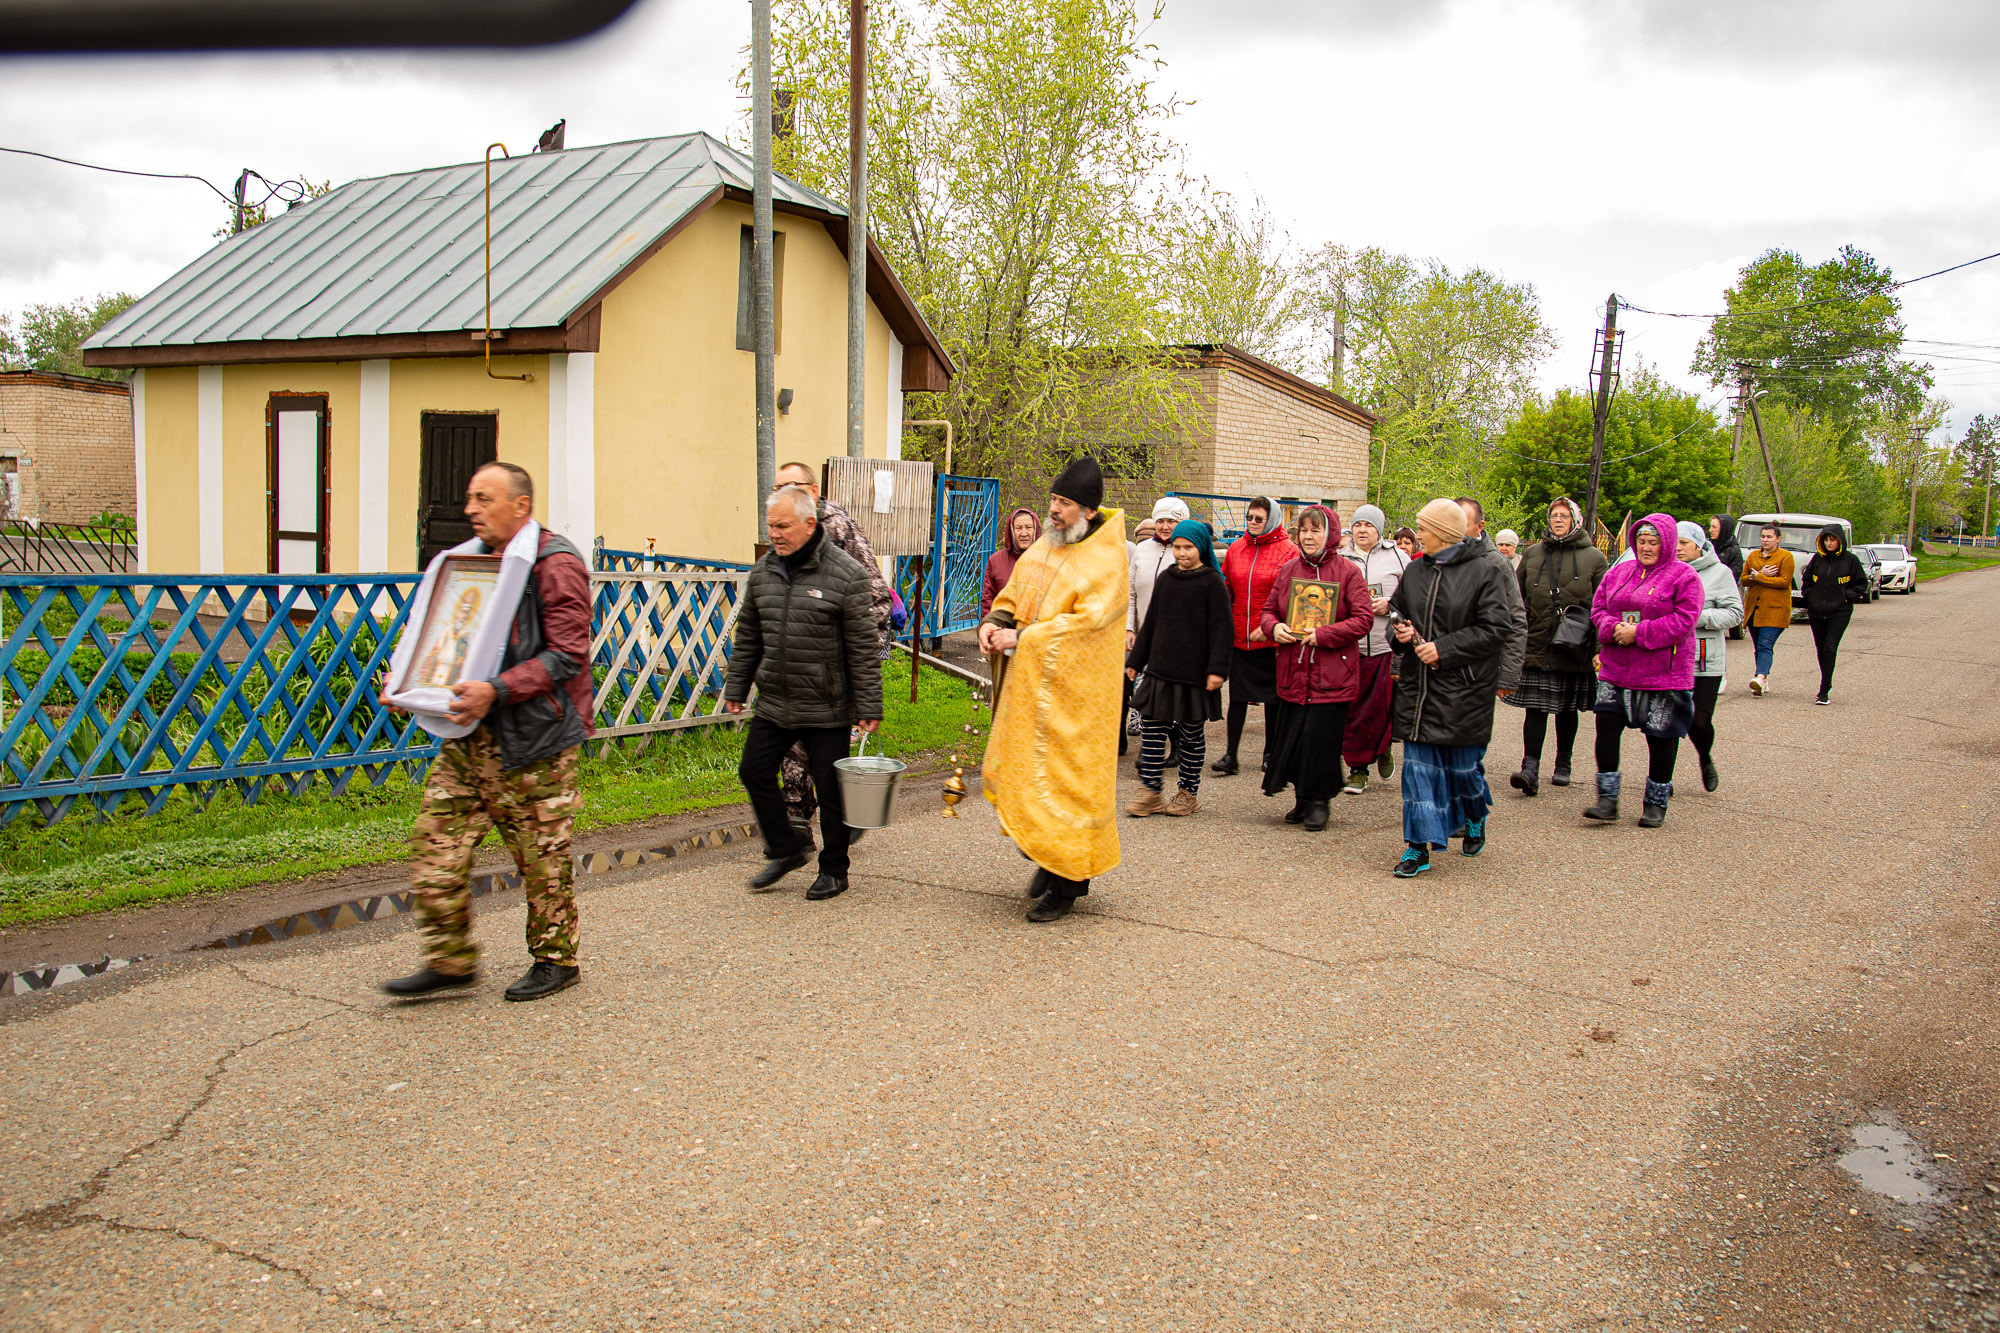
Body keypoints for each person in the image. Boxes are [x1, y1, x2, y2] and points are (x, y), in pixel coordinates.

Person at [380, 462, 593, 1003]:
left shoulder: (556, 564)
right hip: (468, 737)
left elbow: (567, 655)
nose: (470, 509)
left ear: (520, 505)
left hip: (535, 742)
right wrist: (411, 681)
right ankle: (450, 960)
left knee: (541, 861)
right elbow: (449, 638)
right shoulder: (466, 563)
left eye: (484, 498)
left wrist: (495, 690)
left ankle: (556, 961)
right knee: (435, 843)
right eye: (470, 498)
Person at [979, 458, 1129, 923]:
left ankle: (1069, 886)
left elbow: (1087, 628)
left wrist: (1021, 637)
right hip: (1033, 693)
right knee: (1029, 778)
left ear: (1088, 510)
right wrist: (994, 622)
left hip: (1079, 703)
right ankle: (1047, 858)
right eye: (1053, 499)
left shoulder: (1107, 560)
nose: (1054, 509)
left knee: (1070, 789)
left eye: (1064, 502)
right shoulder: (1048, 541)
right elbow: (1015, 594)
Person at [725, 486, 885, 901]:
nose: (774, 534)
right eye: (770, 526)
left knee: (830, 791)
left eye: (782, 526)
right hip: (775, 701)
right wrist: (737, 686)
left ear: (809, 523)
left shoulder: (846, 574)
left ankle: (834, 870)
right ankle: (787, 848)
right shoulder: (765, 572)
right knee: (753, 771)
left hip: (826, 704)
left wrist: (868, 703)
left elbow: (863, 646)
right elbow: (749, 636)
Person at [1386, 499, 1515, 877]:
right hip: (1420, 690)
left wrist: (1444, 649)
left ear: (1442, 533)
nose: (1418, 534)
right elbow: (1398, 611)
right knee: (1418, 771)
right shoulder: (1415, 570)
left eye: (1424, 528)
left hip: (1464, 692)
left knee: (1463, 771)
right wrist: (1401, 632)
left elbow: (1496, 629)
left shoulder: (1485, 572)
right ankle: (1417, 848)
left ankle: (1474, 813)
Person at [771, 461, 894, 844]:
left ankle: (827, 814)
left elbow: (876, 596)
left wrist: (858, 657)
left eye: (790, 486)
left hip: (837, 661)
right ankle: (801, 815)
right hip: (800, 661)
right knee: (792, 734)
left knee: (819, 742)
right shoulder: (785, 529)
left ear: (813, 490)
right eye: (776, 488)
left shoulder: (836, 527)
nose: (780, 494)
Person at [1584, 514, 1703, 828]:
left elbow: (1684, 621)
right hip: (1617, 668)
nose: (1646, 547)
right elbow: (1598, 608)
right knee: (1606, 726)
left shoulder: (1685, 576)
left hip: (1663, 673)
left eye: (1653, 542)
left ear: (1667, 544)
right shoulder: (1619, 572)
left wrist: (1639, 633)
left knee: (1661, 736)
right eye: (1641, 541)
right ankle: (1607, 799)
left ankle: (1655, 803)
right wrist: (1612, 628)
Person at [1260, 505, 1373, 831]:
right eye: (1304, 530)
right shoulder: (1289, 570)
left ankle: (1320, 800)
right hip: (1294, 670)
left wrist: (1325, 634)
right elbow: (1269, 610)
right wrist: (1274, 628)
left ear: (1330, 533)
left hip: (1332, 674)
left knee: (1321, 740)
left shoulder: (1348, 572)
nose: (1308, 537)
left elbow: (1363, 619)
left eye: (1316, 530)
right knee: (1294, 737)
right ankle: (1302, 798)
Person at [1124, 519, 1230, 818]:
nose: (1182, 553)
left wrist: (1217, 670)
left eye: (1188, 547)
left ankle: (1188, 793)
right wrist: (1135, 661)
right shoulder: (1167, 578)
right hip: (1160, 670)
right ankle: (1151, 791)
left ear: (1202, 548)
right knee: (1152, 731)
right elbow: (1151, 624)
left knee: (1190, 735)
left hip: (1193, 675)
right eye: (1178, 547)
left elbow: (1222, 630)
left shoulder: (1212, 583)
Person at [1505, 496, 1607, 796]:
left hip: (1574, 645)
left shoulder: (1594, 558)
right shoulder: (1533, 553)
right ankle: (1530, 769)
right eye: (1553, 515)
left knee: (1567, 708)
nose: (1558, 520)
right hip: (1537, 641)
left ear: (1575, 520)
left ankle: (1563, 763)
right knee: (1535, 709)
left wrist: (1598, 647)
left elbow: (1603, 605)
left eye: (1564, 515)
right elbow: (1516, 597)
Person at [1214, 495, 1298, 776]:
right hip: (1241, 636)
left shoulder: (1289, 552)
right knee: (1237, 697)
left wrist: (1273, 625)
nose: (1252, 523)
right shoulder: (1236, 548)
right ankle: (1231, 755)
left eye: (1258, 519)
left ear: (1271, 520)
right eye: (1249, 517)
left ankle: (1270, 754)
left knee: (1272, 701)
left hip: (1271, 639)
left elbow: (1291, 595)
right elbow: (1227, 586)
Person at [1338, 502, 1408, 793]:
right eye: (1358, 525)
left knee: (1382, 709)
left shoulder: (1399, 557)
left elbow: (1414, 597)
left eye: (1368, 525)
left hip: (1385, 645)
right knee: (1353, 711)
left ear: (1379, 530)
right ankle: (1358, 769)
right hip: (1350, 649)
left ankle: (1384, 746)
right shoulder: (1340, 558)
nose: (1362, 530)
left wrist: (1390, 605)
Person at [1678, 521, 1742, 791]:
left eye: (1684, 543)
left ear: (1698, 545)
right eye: (1674, 543)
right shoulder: (1667, 571)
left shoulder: (1720, 573)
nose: (1678, 548)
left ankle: (1705, 758)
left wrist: (1696, 618)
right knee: (1667, 721)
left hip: (1705, 659)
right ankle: (1662, 777)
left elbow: (1735, 613)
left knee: (1699, 720)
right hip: (1670, 658)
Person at [1128, 496, 1191, 752]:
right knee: (1147, 694)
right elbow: (1131, 593)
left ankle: (1176, 747)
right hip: (1145, 636)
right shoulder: (1142, 550)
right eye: (1161, 521)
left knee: (1172, 695)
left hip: (1176, 639)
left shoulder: (1186, 550)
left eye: (1171, 521)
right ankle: (1151, 748)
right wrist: (1130, 627)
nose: (1165, 526)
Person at [1455, 497, 1527, 697]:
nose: (1456, 529)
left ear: (1480, 526)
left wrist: (1508, 674)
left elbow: (1515, 619)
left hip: (1478, 670)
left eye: (1463, 523)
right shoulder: (1437, 558)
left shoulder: (1497, 564)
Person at [1800, 523, 1868, 704]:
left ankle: (1824, 690)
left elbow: (1861, 584)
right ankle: (1827, 679)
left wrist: (1846, 596)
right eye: (1826, 540)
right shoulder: (1817, 559)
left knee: (1830, 647)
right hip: (1816, 612)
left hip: (1839, 612)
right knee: (1821, 649)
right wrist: (1810, 596)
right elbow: (1806, 581)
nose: (1829, 543)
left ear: (1840, 541)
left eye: (1833, 540)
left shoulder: (1851, 560)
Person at [1740, 523, 1795, 696]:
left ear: (1778, 539)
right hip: (1754, 610)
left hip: (1775, 611)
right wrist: (1757, 575)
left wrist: (1759, 577)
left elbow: (1784, 581)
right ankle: (1762, 678)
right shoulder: (1753, 556)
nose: (1765, 540)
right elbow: (1744, 579)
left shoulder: (1785, 557)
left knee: (1765, 644)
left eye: (1769, 537)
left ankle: (1760, 677)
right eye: (1763, 536)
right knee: (1759, 646)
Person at [982, 507, 1042, 616]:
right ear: (1011, 531)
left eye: (1028, 527)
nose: (1024, 533)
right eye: (1018, 528)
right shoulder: (995, 561)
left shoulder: (1046, 560)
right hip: (1003, 625)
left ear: (1035, 530)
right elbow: (988, 601)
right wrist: (987, 624)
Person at [1710, 514, 1747, 641]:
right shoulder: (1707, 546)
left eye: (1714, 527)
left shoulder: (1734, 550)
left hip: (1721, 594)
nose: (1711, 530)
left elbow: (1734, 575)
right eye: (1711, 526)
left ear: (1724, 528)